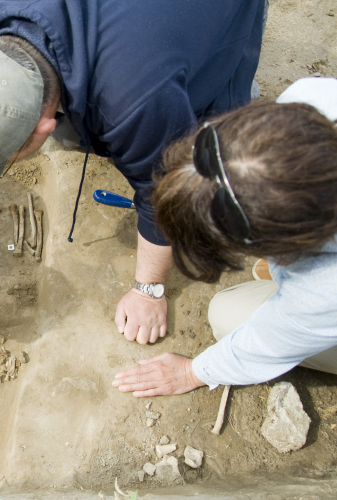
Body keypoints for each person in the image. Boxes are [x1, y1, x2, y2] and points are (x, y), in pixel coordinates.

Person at [0, 0, 267, 346]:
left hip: (210, 14)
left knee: (214, 135)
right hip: (124, 33)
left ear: (44, 128)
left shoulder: (136, 101)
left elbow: (165, 193)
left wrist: (148, 291)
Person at [112, 77, 337, 397]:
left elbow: (268, 342)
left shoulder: (327, 290)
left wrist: (192, 372)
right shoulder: (309, 97)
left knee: (226, 316)